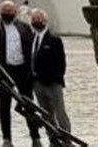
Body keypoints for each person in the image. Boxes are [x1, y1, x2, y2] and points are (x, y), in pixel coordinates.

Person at [0, 0, 41, 147]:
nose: (8, 13)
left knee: (28, 103)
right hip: (4, 70)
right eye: (5, 11)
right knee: (4, 104)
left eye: (10, 11)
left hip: (22, 70)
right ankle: (7, 138)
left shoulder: (24, 27)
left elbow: (30, 45)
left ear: (15, 12)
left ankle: (35, 137)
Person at [29, 9, 71, 141]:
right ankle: (52, 137)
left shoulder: (54, 39)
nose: (36, 21)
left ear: (45, 21)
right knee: (45, 113)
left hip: (53, 83)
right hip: (37, 83)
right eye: (34, 19)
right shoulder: (31, 38)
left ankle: (66, 137)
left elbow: (61, 62)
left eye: (39, 19)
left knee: (60, 112)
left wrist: (57, 79)